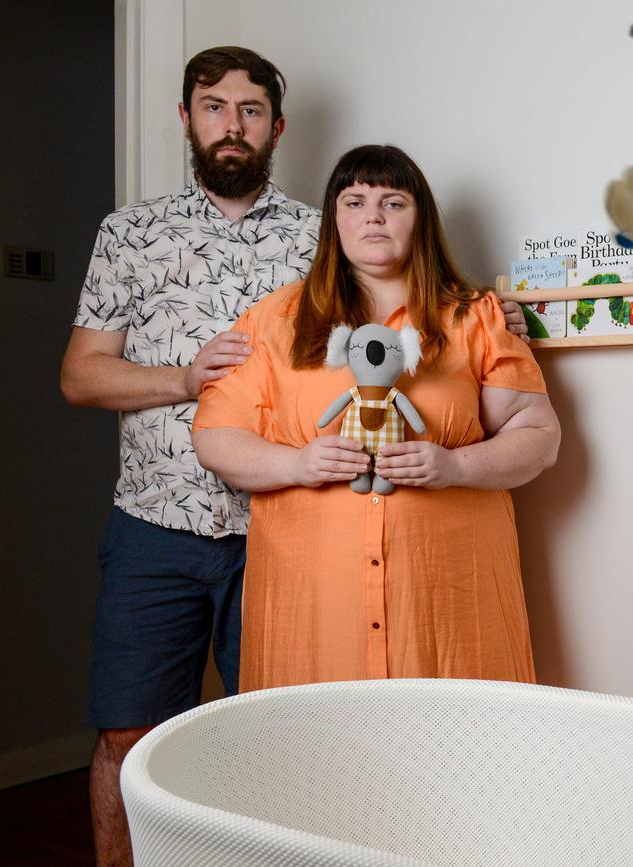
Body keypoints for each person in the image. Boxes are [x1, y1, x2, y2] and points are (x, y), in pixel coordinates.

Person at [60, 46, 527, 866]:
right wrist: (183, 377)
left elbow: (409, 294)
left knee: (282, 745)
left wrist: (494, 314)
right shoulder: (131, 233)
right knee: (130, 733)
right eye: (213, 107)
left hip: (282, 538)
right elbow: (79, 376)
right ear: (186, 118)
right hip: (159, 519)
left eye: (249, 111)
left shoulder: (320, 234)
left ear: (277, 128)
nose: (230, 125)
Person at [192, 144, 561, 694]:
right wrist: (298, 463)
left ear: (421, 219)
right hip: (313, 611)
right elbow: (215, 436)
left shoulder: (475, 316)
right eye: (355, 201)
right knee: (316, 765)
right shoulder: (273, 321)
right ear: (334, 219)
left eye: (394, 202)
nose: (373, 216)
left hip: (447, 602)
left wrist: (454, 466)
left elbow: (538, 436)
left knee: (457, 759)